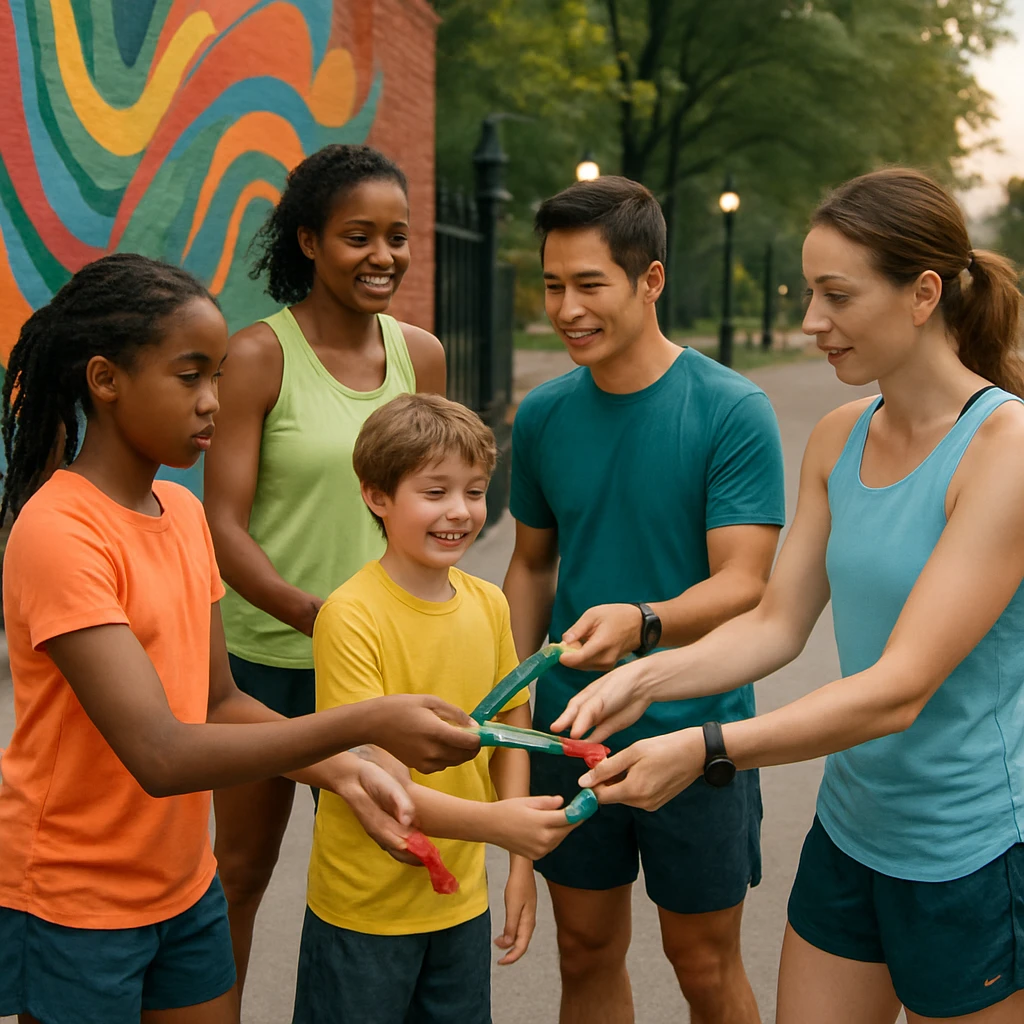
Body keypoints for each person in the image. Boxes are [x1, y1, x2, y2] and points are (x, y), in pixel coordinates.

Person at [554, 168, 1024, 1024]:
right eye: (810, 293)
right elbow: (775, 623)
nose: (812, 323)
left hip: (972, 851)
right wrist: (640, 678)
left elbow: (898, 688)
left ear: (923, 294)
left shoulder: (1005, 449)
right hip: (852, 832)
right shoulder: (842, 435)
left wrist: (707, 748)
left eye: (836, 296)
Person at [0, 254, 480, 1024]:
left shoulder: (182, 514)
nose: (213, 402)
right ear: (105, 379)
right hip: (74, 897)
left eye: (218, 377)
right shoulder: (60, 533)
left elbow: (218, 701)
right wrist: (364, 723)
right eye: (190, 376)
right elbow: (161, 754)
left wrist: (345, 772)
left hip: (184, 884)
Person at [503, 176, 786, 1024]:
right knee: (584, 953)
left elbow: (745, 580)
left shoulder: (733, 409)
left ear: (650, 281)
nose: (566, 308)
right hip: (569, 730)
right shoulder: (544, 414)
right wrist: (518, 694)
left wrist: (644, 624)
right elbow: (529, 567)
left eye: (589, 284)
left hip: (695, 735)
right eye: (553, 285)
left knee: (702, 962)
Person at [203, 143, 447, 992]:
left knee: (391, 871)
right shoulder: (257, 356)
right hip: (267, 665)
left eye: (398, 236)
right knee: (239, 875)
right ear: (309, 241)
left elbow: (437, 503)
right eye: (357, 237)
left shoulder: (424, 355)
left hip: (381, 669)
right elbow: (223, 523)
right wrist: (309, 611)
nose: (384, 256)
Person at [292, 392, 578, 1024]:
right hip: (363, 909)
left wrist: (518, 866)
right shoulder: (350, 615)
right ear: (377, 497)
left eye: (475, 492)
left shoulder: (490, 605)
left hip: (460, 904)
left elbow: (511, 729)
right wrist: (503, 826)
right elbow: (371, 779)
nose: (460, 512)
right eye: (435, 491)